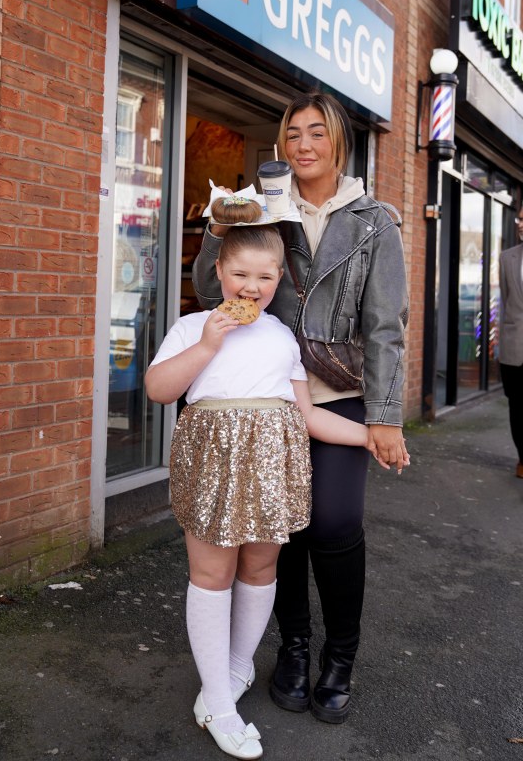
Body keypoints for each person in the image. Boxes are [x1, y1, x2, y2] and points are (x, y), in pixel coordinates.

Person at [192, 91, 409, 724]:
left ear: (338, 141)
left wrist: (386, 416)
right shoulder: (262, 210)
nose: (304, 145)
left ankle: (340, 657)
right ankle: (293, 647)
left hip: (340, 395)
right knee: (277, 530)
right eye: (293, 135)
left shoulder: (375, 219)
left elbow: (386, 325)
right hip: (267, 398)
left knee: (334, 525)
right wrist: (220, 223)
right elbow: (212, 288)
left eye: (317, 133)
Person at [146, 206, 386, 759]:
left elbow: (307, 415)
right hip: (212, 462)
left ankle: (233, 672)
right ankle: (221, 707)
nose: (250, 287)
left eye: (264, 277)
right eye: (239, 275)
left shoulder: (283, 337)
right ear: (218, 274)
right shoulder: (191, 325)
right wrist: (206, 344)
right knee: (212, 572)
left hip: (274, 464)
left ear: (280, 280)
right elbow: (160, 389)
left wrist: (369, 436)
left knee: (260, 567)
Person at [498, 204, 523, 479]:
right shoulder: (507, 258)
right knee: (517, 408)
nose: (520, 223)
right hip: (515, 348)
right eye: (520, 218)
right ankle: (522, 458)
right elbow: (508, 302)